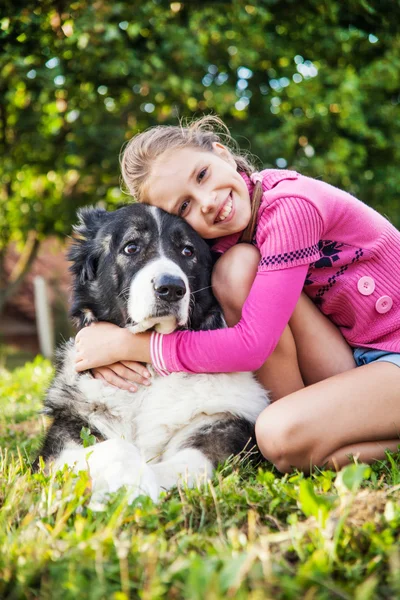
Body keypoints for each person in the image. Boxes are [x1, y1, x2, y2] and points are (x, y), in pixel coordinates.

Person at [75, 115, 400, 474]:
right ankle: (302, 426)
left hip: (394, 352)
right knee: (236, 268)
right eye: (184, 206)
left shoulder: (292, 207)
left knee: (278, 437)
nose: (207, 201)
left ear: (222, 154)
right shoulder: (226, 234)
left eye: (201, 175)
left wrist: (128, 346)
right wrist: (93, 333)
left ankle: (297, 433)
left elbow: (252, 346)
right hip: (357, 355)